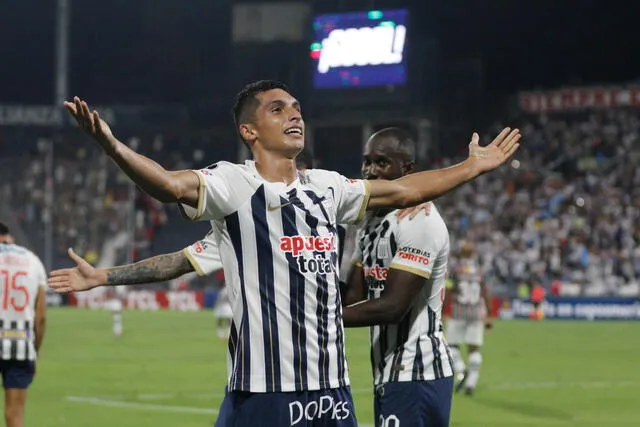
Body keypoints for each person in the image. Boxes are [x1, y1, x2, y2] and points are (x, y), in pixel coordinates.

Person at [58, 80, 520, 426]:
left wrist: (471, 167)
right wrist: (111, 145)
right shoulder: (233, 187)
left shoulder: (327, 188)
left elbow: (403, 189)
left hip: (332, 393)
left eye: (297, 108)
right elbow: (167, 190)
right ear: (250, 131)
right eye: (277, 110)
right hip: (264, 392)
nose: (294, 115)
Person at [339, 128, 454, 427]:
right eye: (367, 162)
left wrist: (315, 320)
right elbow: (352, 296)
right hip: (388, 371)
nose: (370, 170)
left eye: (381, 162)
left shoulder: (421, 220)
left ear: (407, 170)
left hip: (418, 371)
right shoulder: (370, 221)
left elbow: (393, 307)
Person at [0, 222, 47, 427]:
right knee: (15, 416)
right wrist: (35, 350)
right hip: (21, 344)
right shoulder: (32, 261)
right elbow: (41, 317)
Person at [444, 242, 492, 396]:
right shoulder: (480, 271)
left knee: (451, 346)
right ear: (473, 254)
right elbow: (486, 293)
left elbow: (449, 290)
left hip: (458, 311)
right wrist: (489, 315)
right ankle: (472, 381)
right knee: (474, 348)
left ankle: (460, 368)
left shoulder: (455, 270)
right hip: (476, 312)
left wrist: (443, 310)